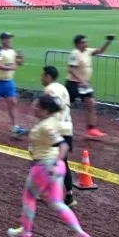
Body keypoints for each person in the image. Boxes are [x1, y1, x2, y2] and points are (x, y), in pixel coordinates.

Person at [7, 95, 92, 237]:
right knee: (56, 202)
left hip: (44, 167)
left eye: (37, 106)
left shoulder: (46, 126)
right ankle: (80, 233)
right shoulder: (51, 121)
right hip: (57, 169)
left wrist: (54, 163)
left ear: (45, 110)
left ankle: (25, 234)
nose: (33, 108)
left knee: (29, 197)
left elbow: (63, 145)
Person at [66, 34, 114, 139]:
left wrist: (108, 41)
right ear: (77, 44)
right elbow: (71, 69)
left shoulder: (87, 51)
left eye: (86, 42)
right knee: (65, 105)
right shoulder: (75, 53)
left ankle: (91, 128)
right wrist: (81, 80)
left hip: (84, 84)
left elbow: (100, 51)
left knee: (91, 104)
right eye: (83, 42)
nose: (86, 44)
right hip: (73, 83)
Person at [41, 66, 76, 207]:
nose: (41, 78)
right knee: (63, 162)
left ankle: (50, 193)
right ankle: (69, 195)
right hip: (68, 128)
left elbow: (51, 108)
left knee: (46, 159)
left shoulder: (49, 90)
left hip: (55, 129)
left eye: (43, 75)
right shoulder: (63, 88)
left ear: (48, 76)